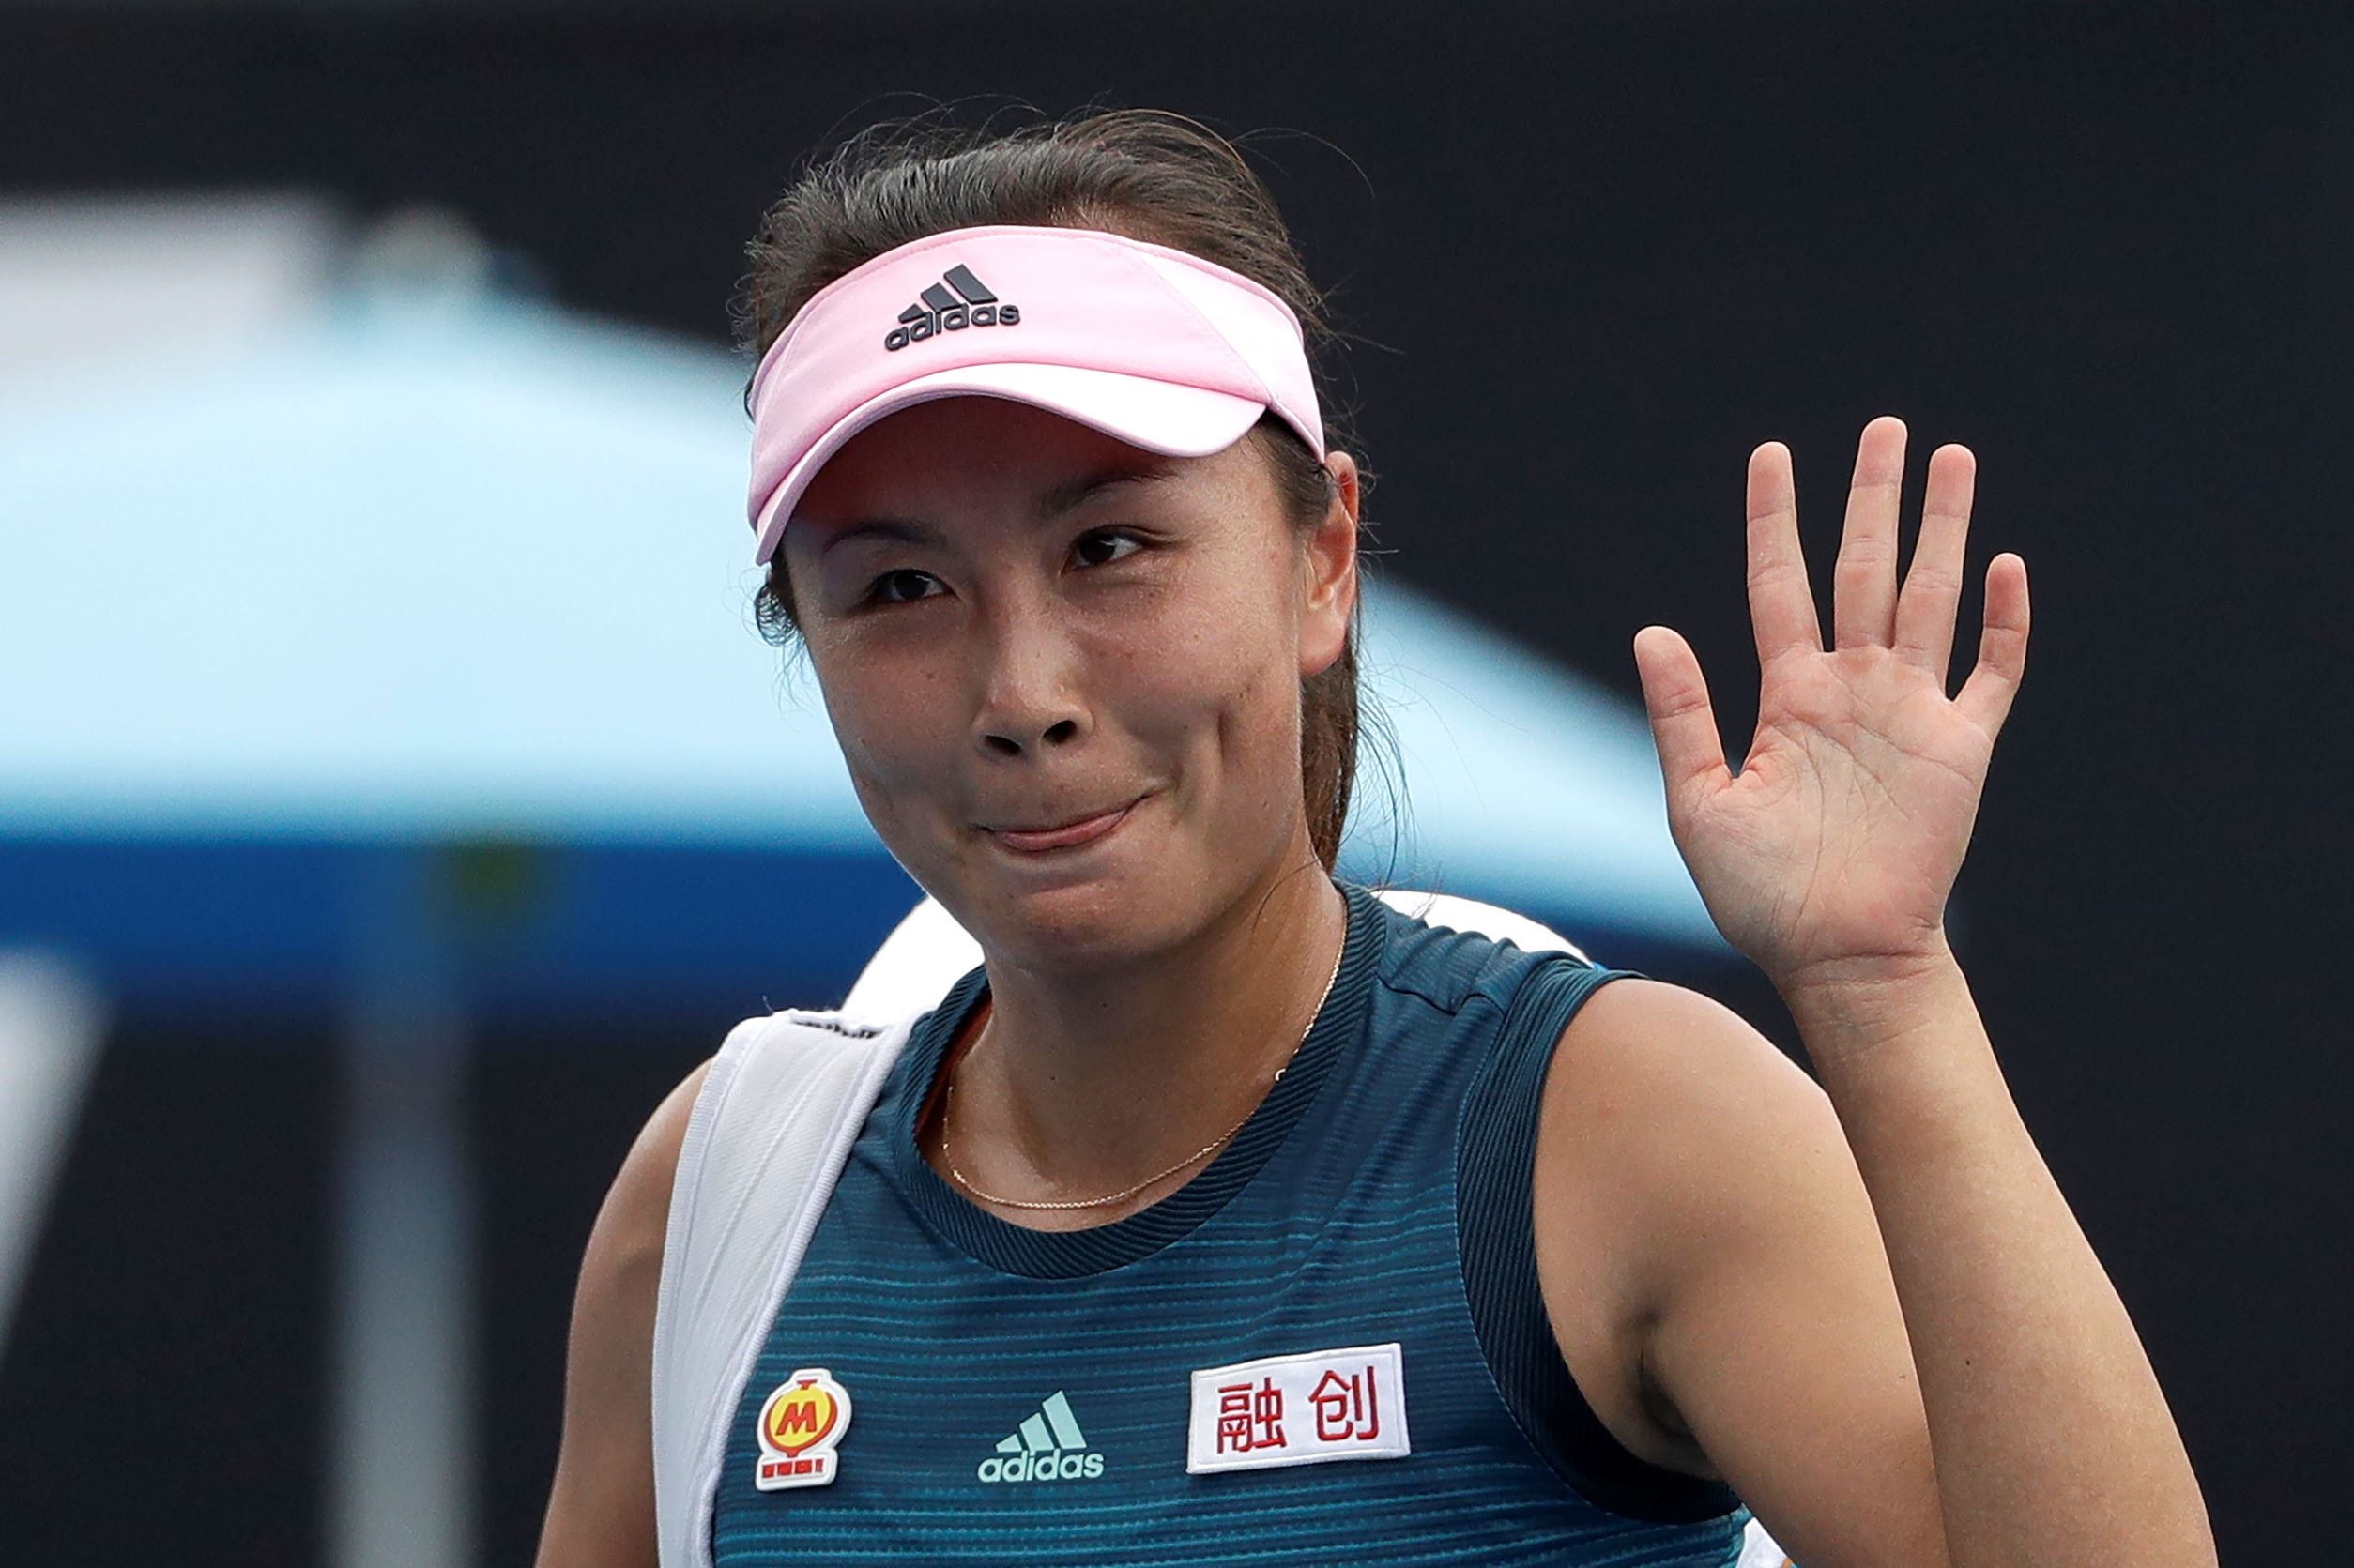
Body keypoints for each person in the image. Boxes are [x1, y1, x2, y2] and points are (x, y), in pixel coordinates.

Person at [536, 110, 2214, 1568]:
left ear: (1323, 560)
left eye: (1112, 547)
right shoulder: (725, 1197)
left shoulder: (1600, 1125)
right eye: (899, 588)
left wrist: (1880, 985)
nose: (1021, 692)